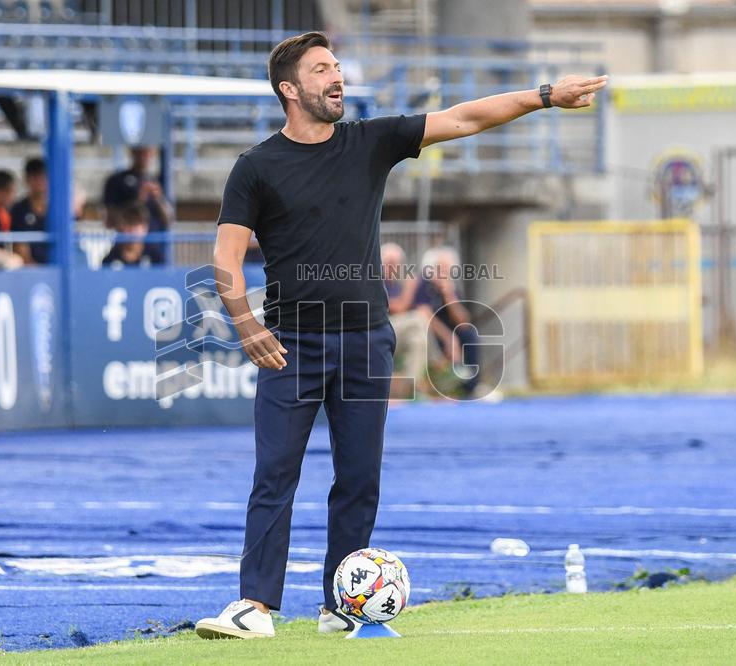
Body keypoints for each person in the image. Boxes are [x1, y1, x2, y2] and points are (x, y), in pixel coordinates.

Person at [198, 31, 607, 639]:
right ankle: (255, 607)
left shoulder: (371, 141)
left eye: (337, 67)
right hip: (292, 344)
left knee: (360, 475)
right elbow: (226, 258)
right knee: (275, 474)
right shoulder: (255, 167)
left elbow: (465, 118)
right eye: (320, 70)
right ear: (290, 89)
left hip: (367, 341)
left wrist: (545, 96)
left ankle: (345, 605)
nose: (336, 78)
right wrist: (247, 326)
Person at [413, 246, 481, 396]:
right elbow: (424, 314)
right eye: (440, 268)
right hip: (430, 332)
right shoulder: (422, 285)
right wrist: (449, 338)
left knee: (470, 334)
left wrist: (449, 295)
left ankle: (470, 387)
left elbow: (463, 321)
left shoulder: (451, 287)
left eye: (448, 268)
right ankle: (437, 387)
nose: (445, 272)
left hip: (451, 331)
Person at [381, 242, 431, 397]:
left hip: (397, 331)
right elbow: (398, 307)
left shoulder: (397, 283)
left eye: (396, 263)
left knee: (419, 339)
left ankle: (412, 387)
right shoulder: (376, 280)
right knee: (419, 318)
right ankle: (437, 357)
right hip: (379, 328)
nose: (393, 267)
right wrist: (409, 290)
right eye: (389, 263)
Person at [100, 201, 163, 269]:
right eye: (129, 222)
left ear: (145, 228)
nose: (132, 229)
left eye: (137, 224)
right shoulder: (110, 259)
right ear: (121, 227)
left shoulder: (155, 257)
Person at [10, 157, 49, 264]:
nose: (40, 182)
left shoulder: (58, 209)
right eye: (35, 177)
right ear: (27, 179)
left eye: (43, 177)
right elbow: (20, 248)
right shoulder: (19, 209)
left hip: (56, 268)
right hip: (31, 272)